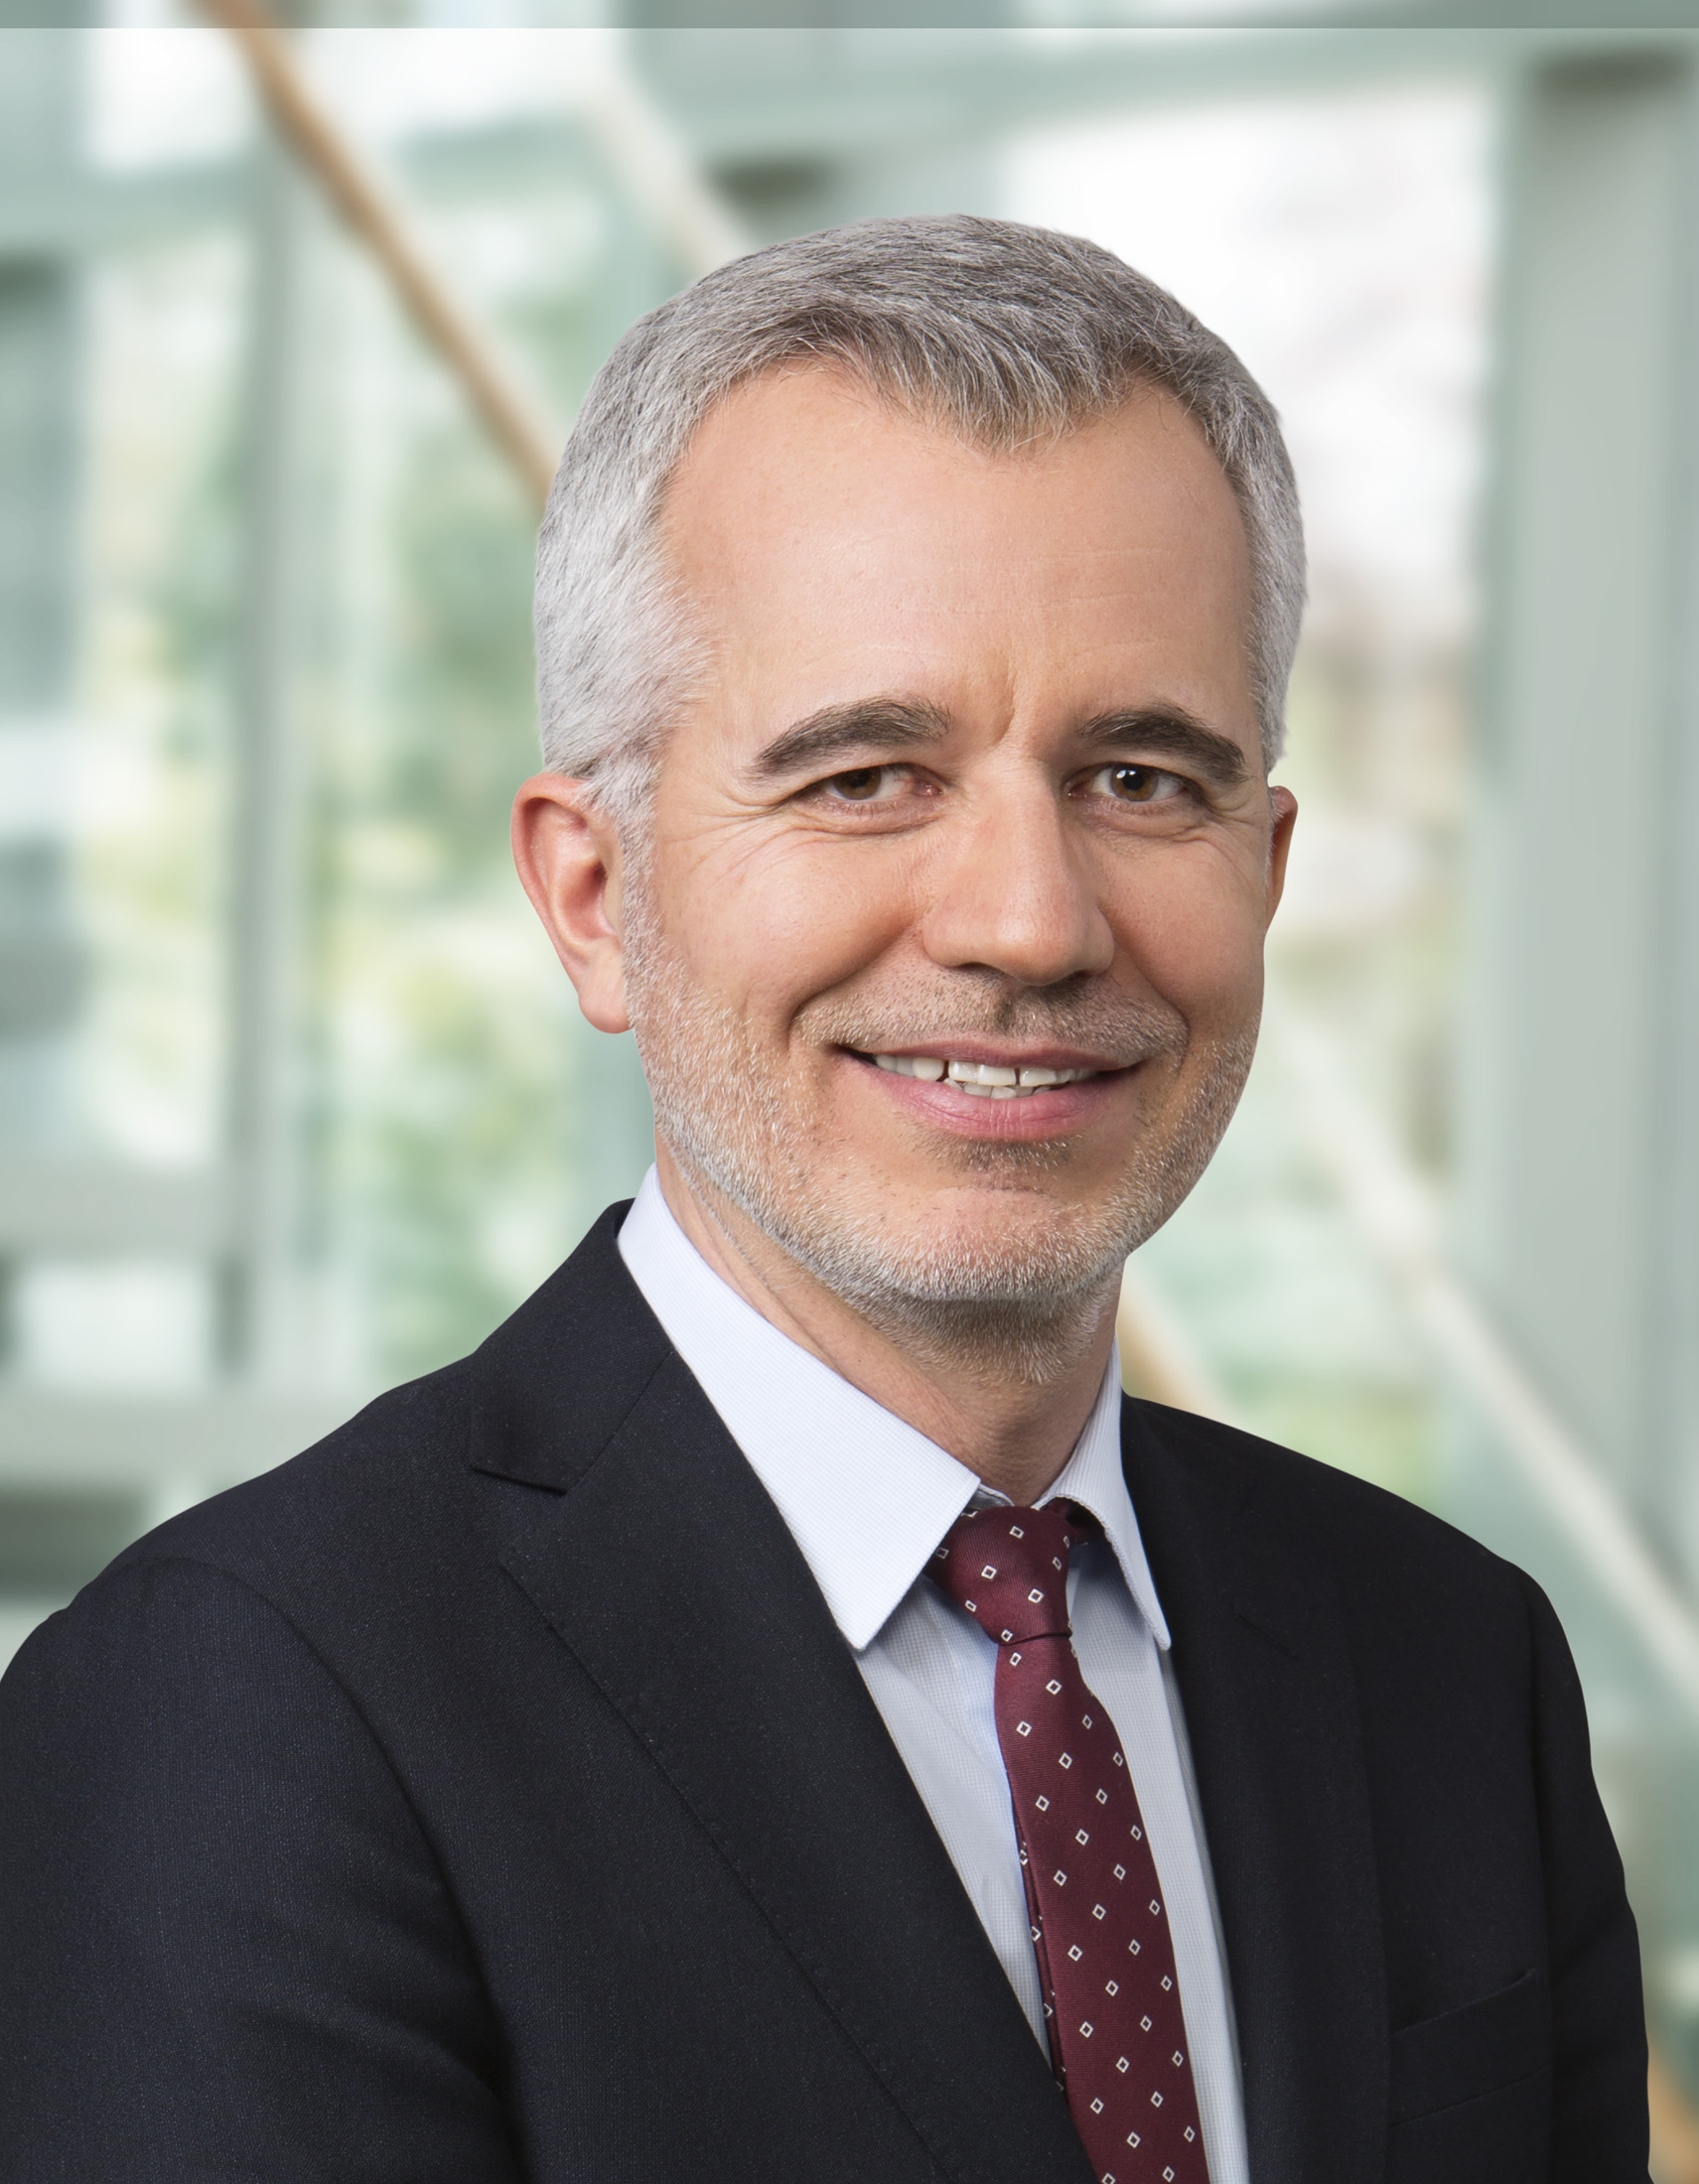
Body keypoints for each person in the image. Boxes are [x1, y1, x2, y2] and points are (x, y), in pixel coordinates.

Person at [0, 216, 1647, 2184]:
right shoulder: (246, 1710)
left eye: (1139, 777)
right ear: (595, 895)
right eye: (866, 775)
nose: (1028, 921)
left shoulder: (1449, 1665)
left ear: (1266, 868)